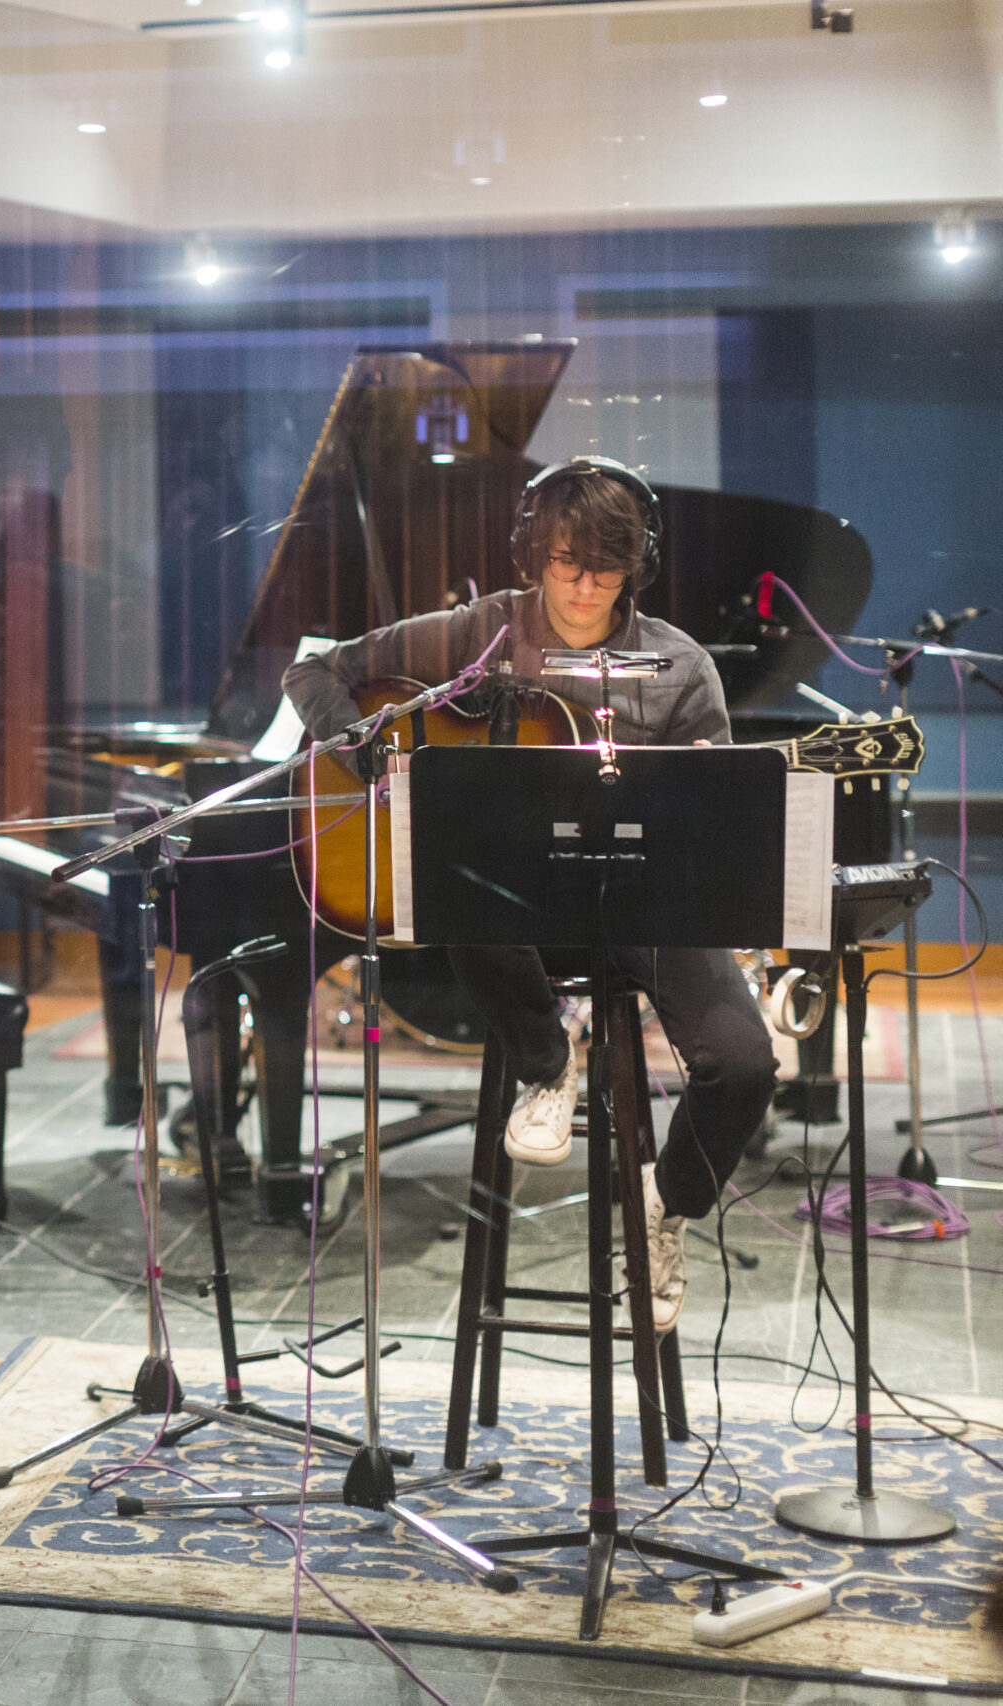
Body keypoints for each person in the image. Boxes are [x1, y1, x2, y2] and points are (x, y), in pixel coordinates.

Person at [279, 457, 776, 1331]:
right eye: (566, 563)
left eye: (607, 570)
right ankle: (548, 1066)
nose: (585, 588)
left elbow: (719, 818)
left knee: (744, 1063)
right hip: (512, 911)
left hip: (650, 907)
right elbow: (315, 673)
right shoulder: (477, 633)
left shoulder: (681, 664)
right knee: (456, 880)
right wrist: (357, 744)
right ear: (531, 551)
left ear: (638, 566)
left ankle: (668, 1207)